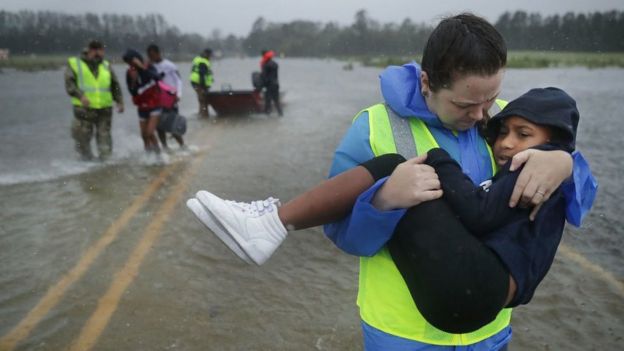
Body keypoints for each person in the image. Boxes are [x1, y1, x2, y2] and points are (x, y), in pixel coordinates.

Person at [187, 14, 590, 350]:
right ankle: (273, 224)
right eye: (467, 104)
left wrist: (567, 165)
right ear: (429, 83)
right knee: (388, 168)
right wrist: (382, 204)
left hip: (488, 333)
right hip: (401, 335)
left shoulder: (509, 125)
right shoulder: (373, 128)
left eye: (492, 98)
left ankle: (271, 222)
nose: (482, 114)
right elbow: (342, 235)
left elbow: (579, 207)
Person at [65, 40, 124, 161]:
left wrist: (119, 101)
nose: (100, 54)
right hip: (84, 108)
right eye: (96, 51)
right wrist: (80, 96)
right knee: (82, 136)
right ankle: (86, 162)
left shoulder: (106, 65)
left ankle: (106, 163)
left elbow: (115, 84)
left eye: (101, 51)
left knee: (104, 137)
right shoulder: (75, 63)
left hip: (104, 108)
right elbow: (69, 84)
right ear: (90, 50)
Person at [123, 49, 176, 154]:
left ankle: (158, 155)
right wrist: (133, 81)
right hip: (142, 106)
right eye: (128, 63)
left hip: (155, 105)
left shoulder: (149, 67)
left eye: (131, 61)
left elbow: (157, 78)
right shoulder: (130, 72)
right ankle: (148, 156)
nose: (131, 65)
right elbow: (132, 92)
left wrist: (142, 68)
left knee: (150, 132)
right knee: (144, 135)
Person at [146, 44, 186, 151]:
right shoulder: (150, 67)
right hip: (157, 100)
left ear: (158, 53)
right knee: (160, 126)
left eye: (153, 55)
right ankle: (165, 147)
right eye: (149, 56)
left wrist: (179, 94)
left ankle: (182, 146)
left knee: (173, 123)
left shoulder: (170, 65)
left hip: (171, 99)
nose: (151, 58)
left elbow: (179, 80)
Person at [190, 48, 214, 118]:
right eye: (210, 55)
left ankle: (201, 113)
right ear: (207, 54)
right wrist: (204, 86)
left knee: (201, 98)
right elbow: (202, 74)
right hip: (199, 82)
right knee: (203, 98)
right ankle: (204, 116)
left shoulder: (198, 59)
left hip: (195, 81)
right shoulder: (203, 62)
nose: (210, 57)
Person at [260, 50, 283, 116]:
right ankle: (280, 114)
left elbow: (264, 76)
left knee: (268, 102)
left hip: (269, 85)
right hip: (276, 84)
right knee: (276, 101)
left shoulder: (265, 65)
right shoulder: (275, 64)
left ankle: (267, 116)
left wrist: (262, 85)